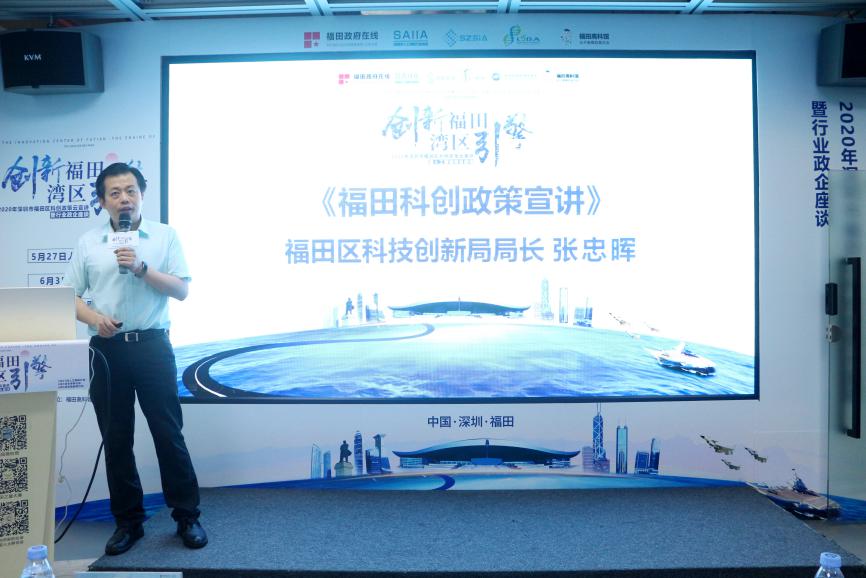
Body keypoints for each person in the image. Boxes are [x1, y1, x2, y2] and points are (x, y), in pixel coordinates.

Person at [65, 162, 207, 555]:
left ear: (142, 195)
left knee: (168, 434)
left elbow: (181, 290)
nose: (124, 199)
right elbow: (70, 296)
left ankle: (187, 516)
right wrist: (94, 319)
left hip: (152, 347)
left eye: (130, 191)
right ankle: (128, 522)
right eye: (115, 193)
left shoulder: (164, 236)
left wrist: (142, 268)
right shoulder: (89, 243)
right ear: (102, 201)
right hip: (107, 349)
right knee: (116, 439)